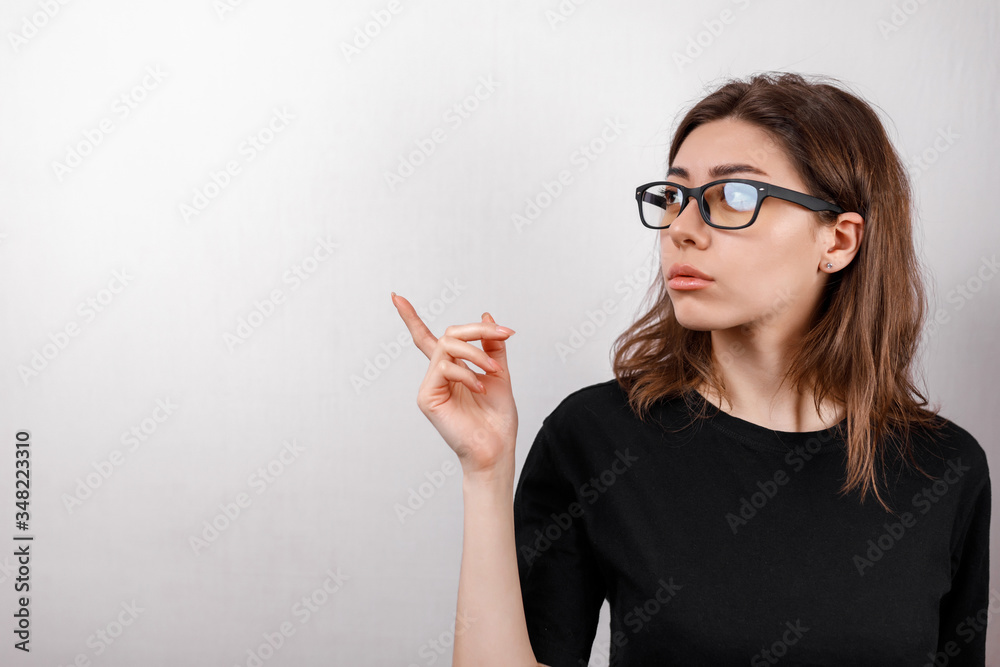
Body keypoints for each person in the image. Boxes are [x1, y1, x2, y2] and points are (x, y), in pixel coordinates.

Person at [392, 71, 991, 666]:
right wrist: (486, 471)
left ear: (837, 241)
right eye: (674, 197)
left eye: (735, 196)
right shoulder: (598, 437)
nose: (681, 229)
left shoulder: (944, 468)